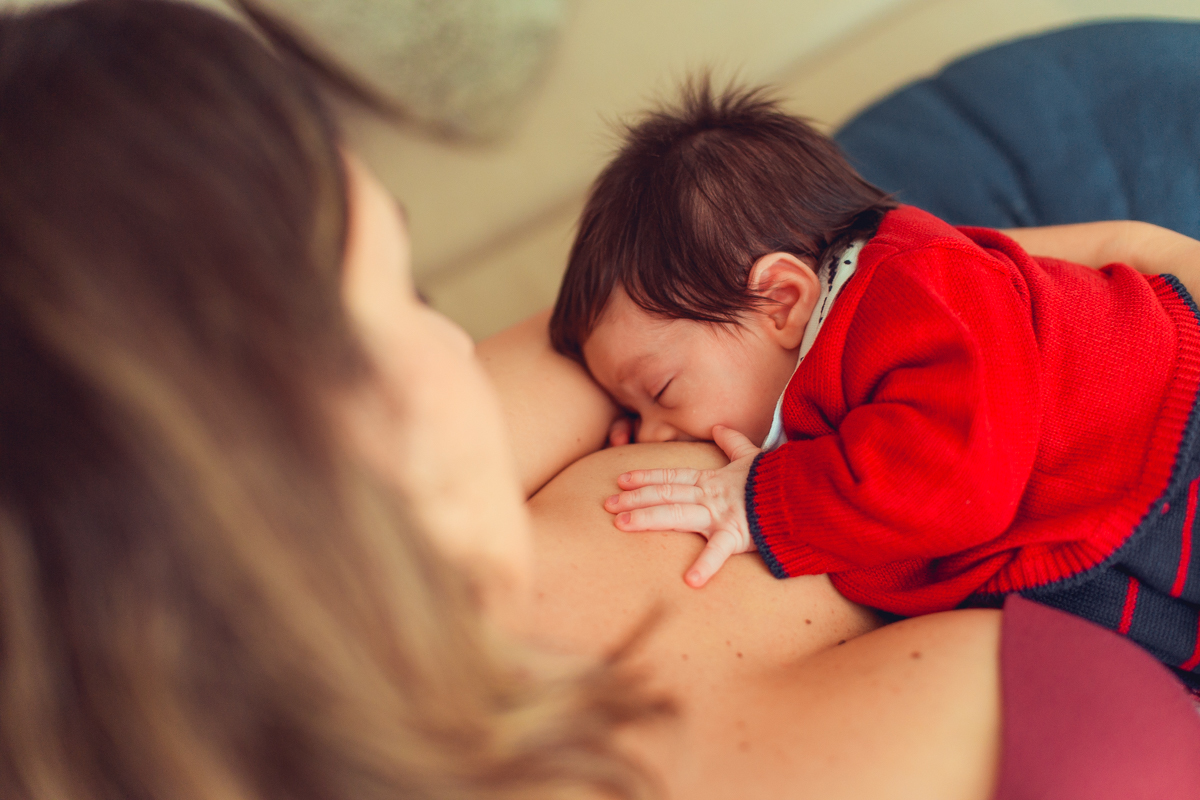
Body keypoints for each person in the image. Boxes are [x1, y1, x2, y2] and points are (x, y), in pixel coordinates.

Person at [3, 2, 1200, 799]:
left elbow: (694, 301)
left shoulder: (450, 476)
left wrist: (1106, 250)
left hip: (994, 300)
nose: (454, 342)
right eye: (397, 306)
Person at [547, 79, 1200, 686]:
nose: (656, 435)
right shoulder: (820, 353)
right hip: (1100, 520)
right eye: (631, 414)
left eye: (659, 391)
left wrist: (760, 504)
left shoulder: (915, 292)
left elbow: (951, 476)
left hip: (1164, 445)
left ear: (781, 300)